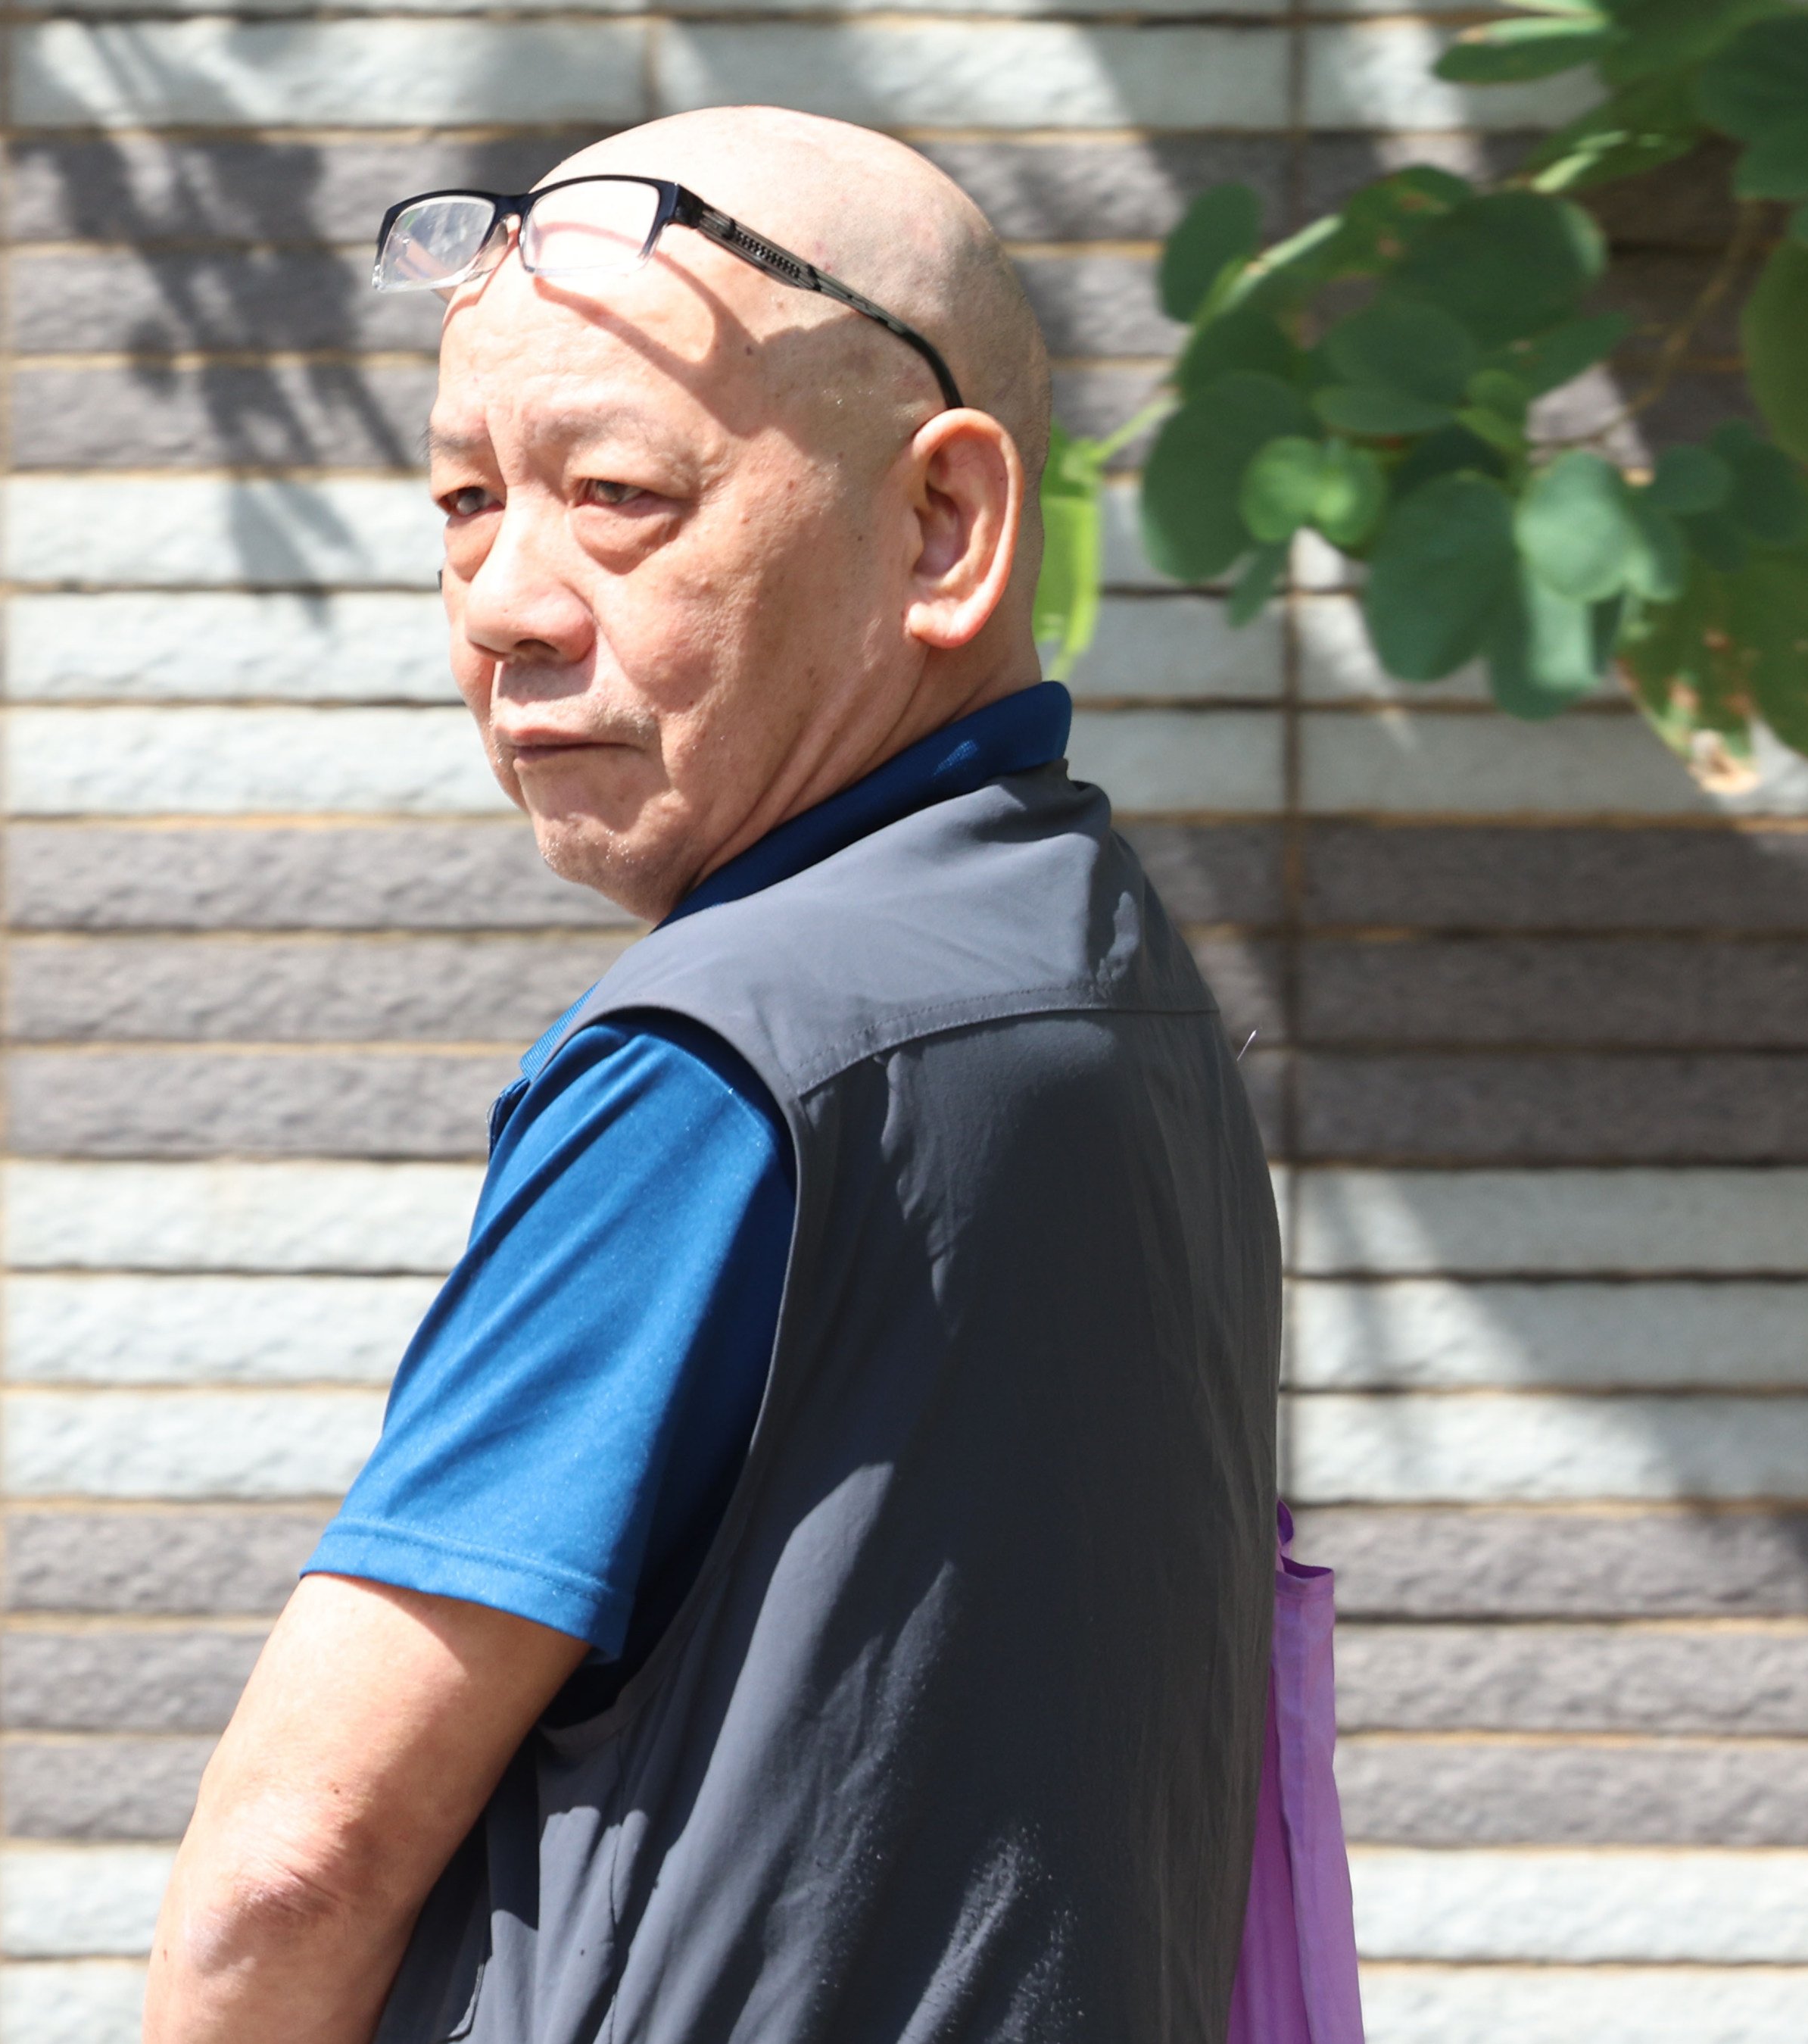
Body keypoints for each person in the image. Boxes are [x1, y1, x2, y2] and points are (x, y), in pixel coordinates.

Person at [142, 105, 1282, 2044]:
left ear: (940, 526)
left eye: (612, 494)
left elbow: (296, 1860)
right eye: (457, 503)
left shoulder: (725, 1052)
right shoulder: (1120, 998)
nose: (501, 603)